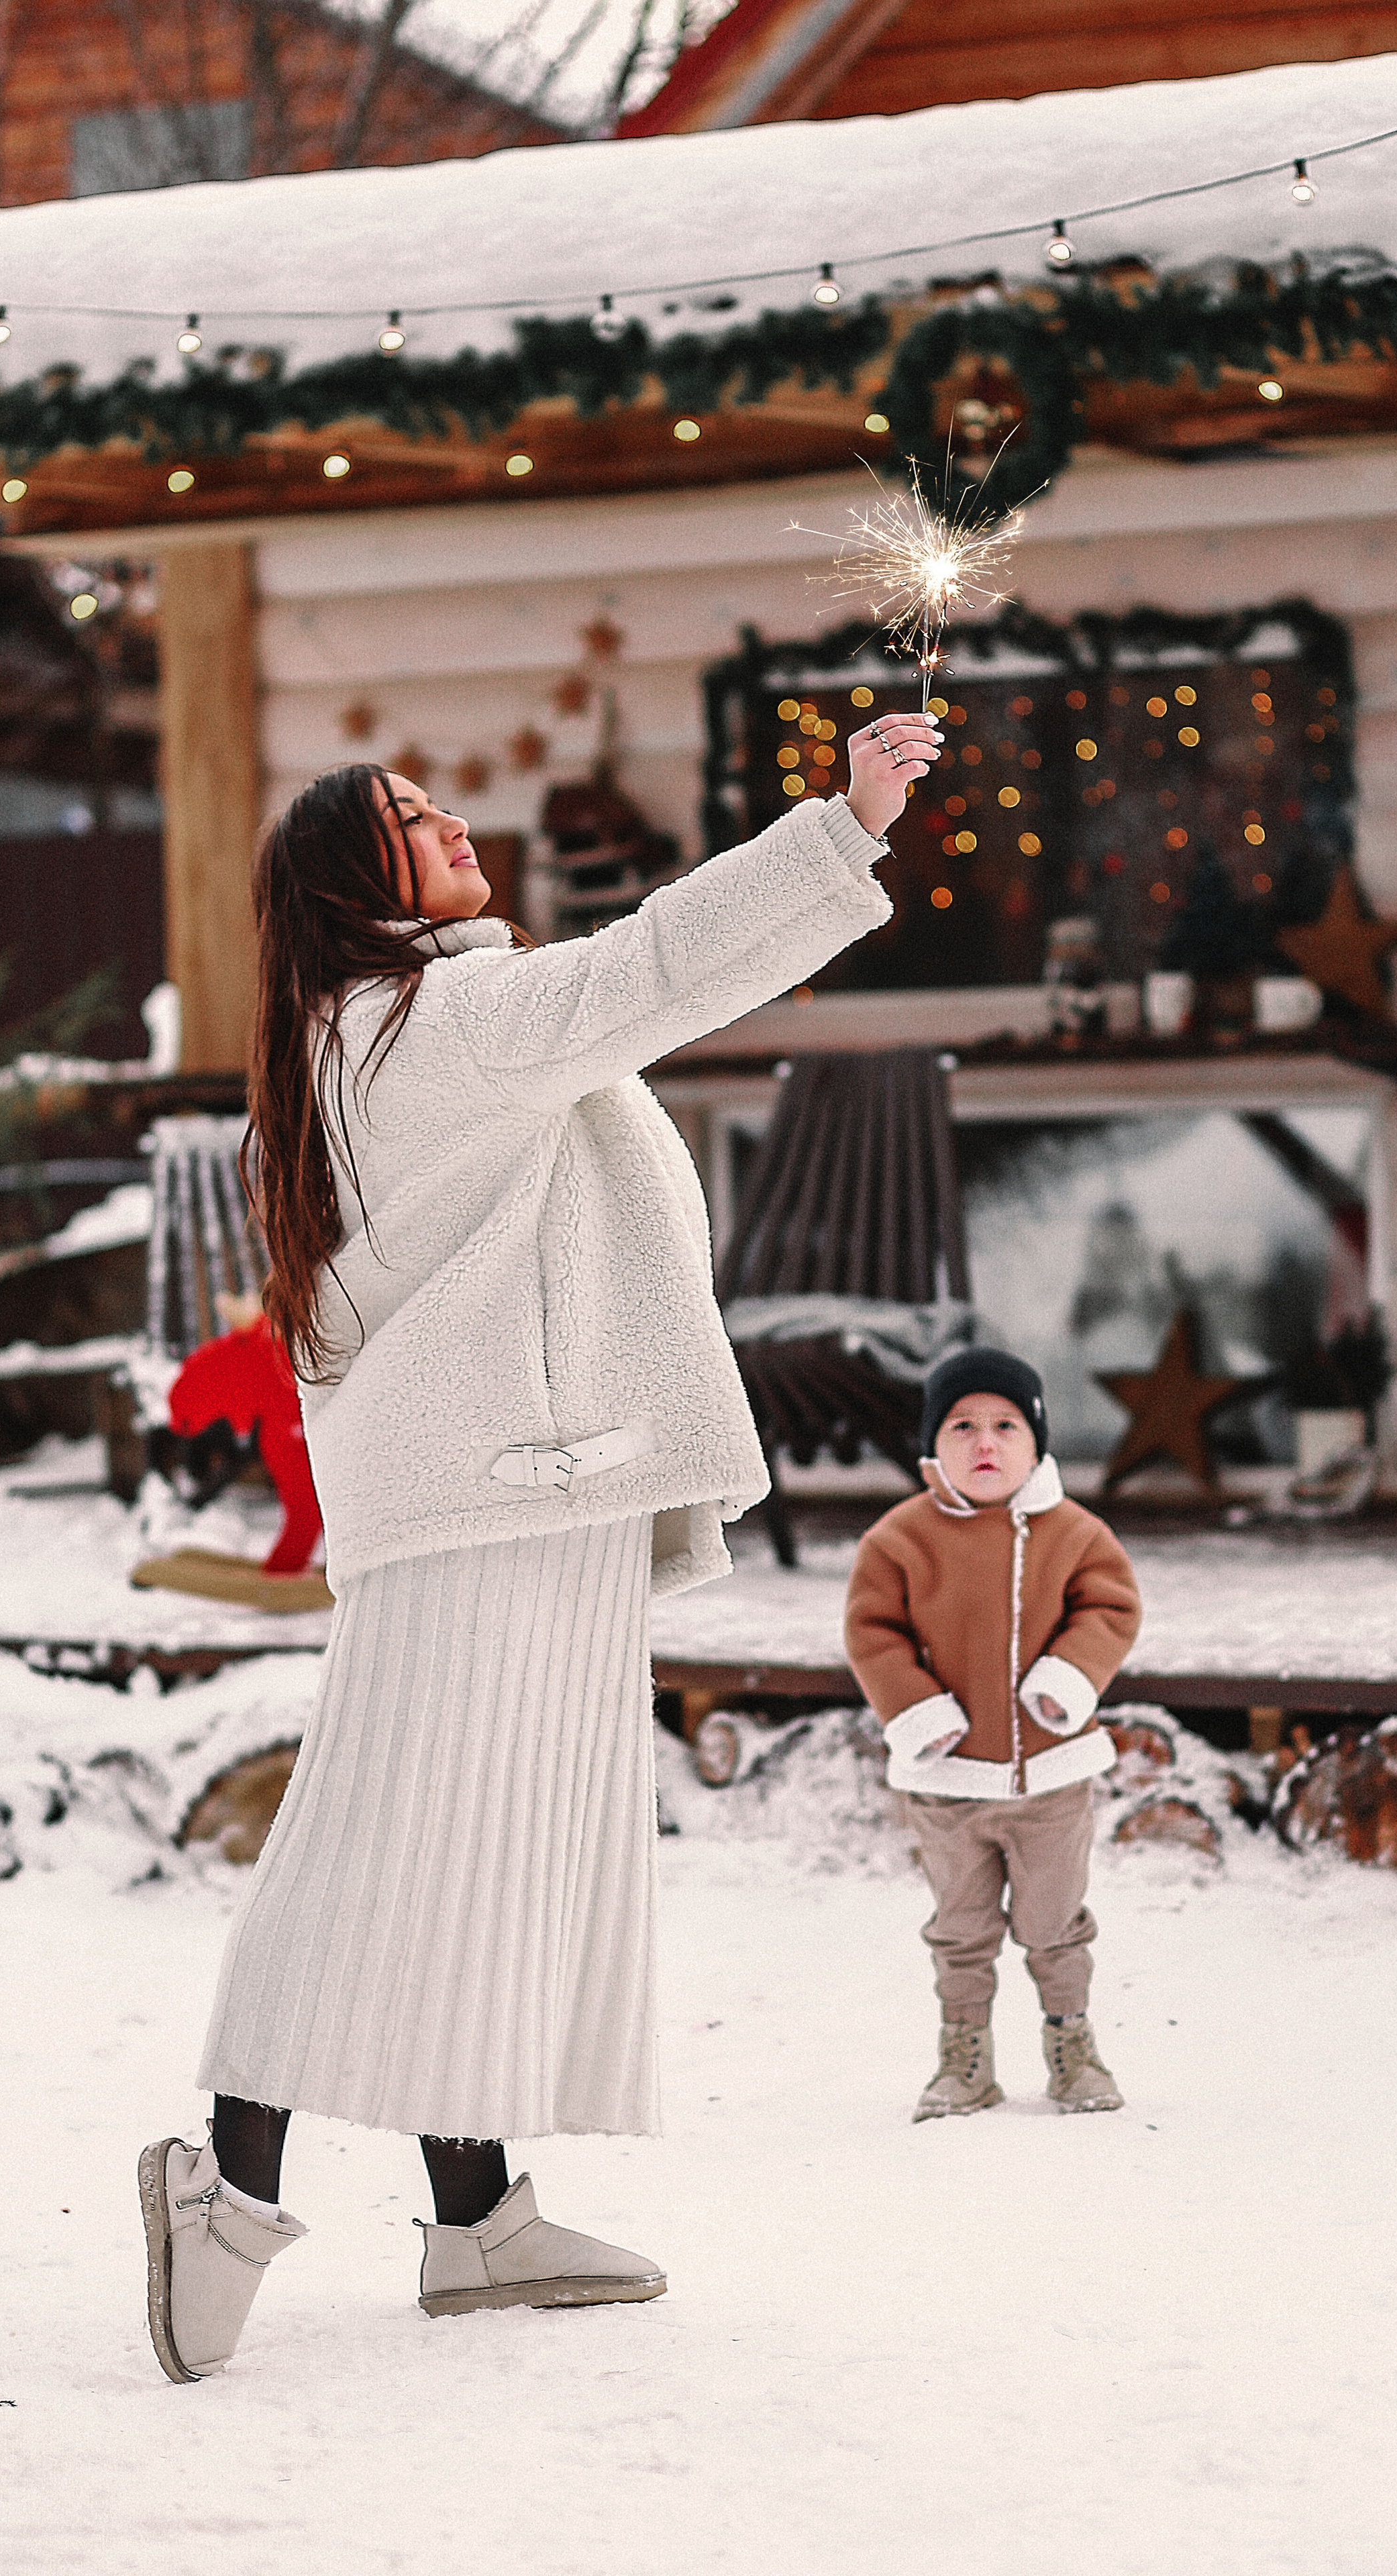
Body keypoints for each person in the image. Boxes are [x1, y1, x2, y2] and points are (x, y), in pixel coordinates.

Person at [138, 705, 942, 2385]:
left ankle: (477, 2210)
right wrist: (842, 822)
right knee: (384, 1850)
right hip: (494, 1497)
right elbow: (657, 967)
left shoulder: (366, 1033)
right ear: (367, 885)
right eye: (416, 822)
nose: (456, 831)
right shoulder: (441, 1019)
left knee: (497, 1844)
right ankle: (229, 2181)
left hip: (521, 1488)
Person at [843, 1348, 1141, 2124]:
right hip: (947, 1786)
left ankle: (1071, 2044)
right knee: (960, 1928)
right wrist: (919, 1713)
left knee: (1053, 1923)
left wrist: (1064, 1683)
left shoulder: (1073, 1533)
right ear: (931, 1446)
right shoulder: (898, 1539)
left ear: (1036, 1442)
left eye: (1006, 1425)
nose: (985, 1443)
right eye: (962, 1426)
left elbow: (1109, 1610)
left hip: (1049, 1778)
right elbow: (872, 1634)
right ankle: (964, 2056)